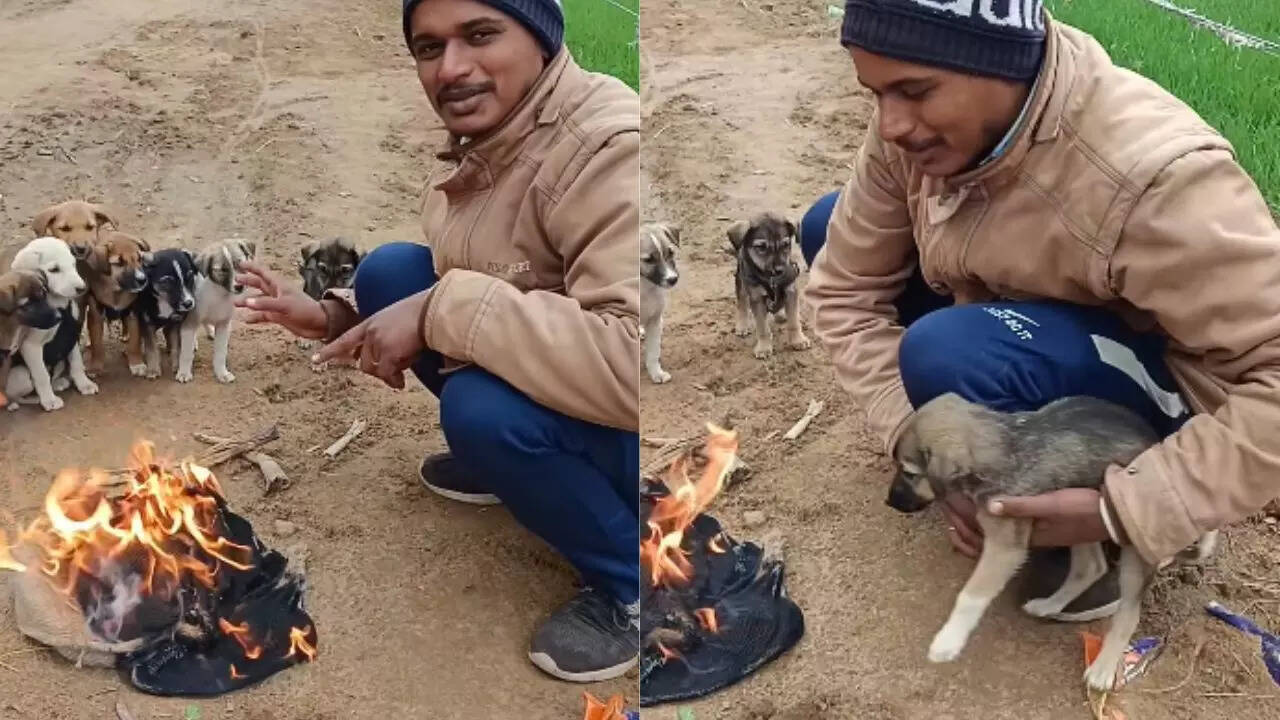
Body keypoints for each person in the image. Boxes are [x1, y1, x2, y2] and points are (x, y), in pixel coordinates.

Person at [804, 0, 1280, 623]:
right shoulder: (913, 129)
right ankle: (1006, 453)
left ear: (1003, 65)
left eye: (915, 91)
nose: (891, 124)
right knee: (826, 226)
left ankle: (1099, 550)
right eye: (874, 92)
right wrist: (915, 434)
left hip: (1157, 394)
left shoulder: (1156, 178)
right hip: (1022, 321)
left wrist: (1134, 504)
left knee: (949, 351)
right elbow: (844, 288)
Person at [234, 0, 641, 682]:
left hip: (629, 426)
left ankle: (633, 583)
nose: (450, 69)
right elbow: (476, 272)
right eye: (428, 48)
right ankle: (521, 471)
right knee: (392, 270)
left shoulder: (607, 147)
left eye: (481, 35)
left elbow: (628, 364)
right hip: (568, 383)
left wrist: (438, 311)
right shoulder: (497, 132)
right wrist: (335, 317)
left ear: (542, 38)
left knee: (480, 410)